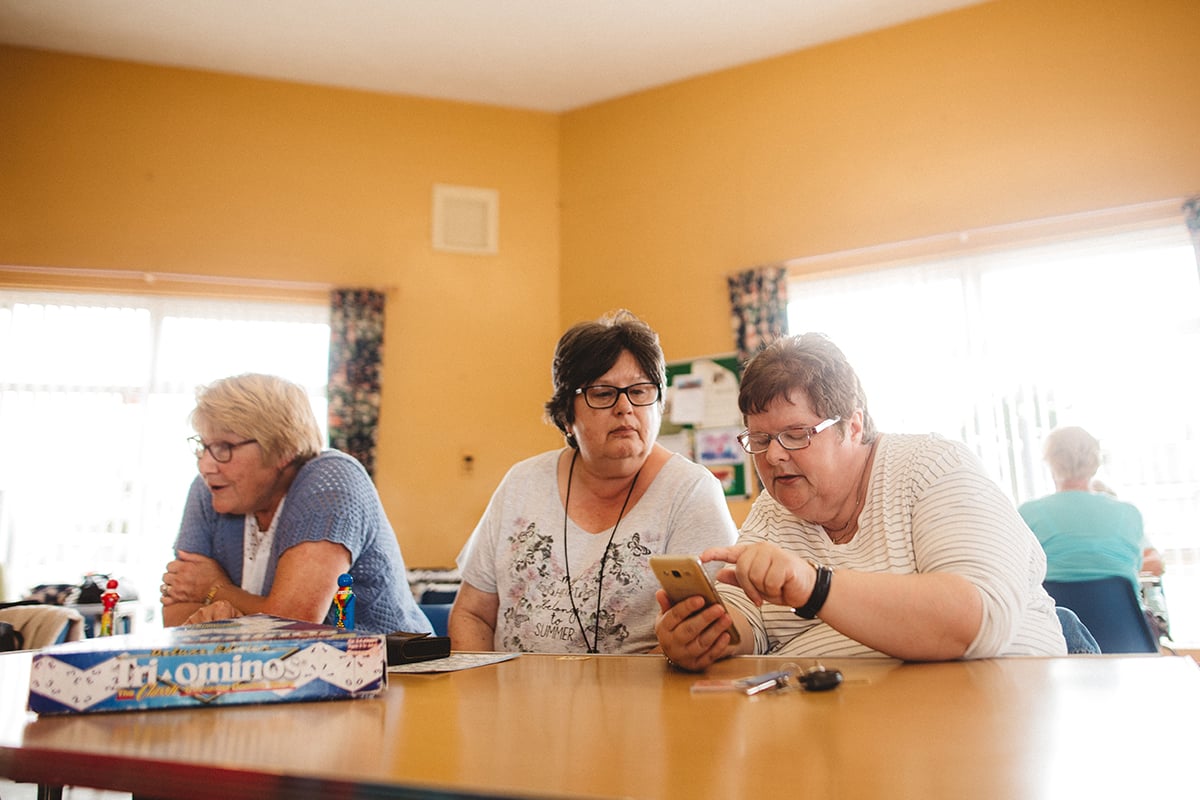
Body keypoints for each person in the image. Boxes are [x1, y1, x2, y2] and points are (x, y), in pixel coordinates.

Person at [655, 333, 1066, 670]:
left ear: (852, 426)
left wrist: (815, 587)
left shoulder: (932, 466)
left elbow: (977, 619)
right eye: (760, 439)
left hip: (985, 708)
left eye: (796, 435)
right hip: (846, 720)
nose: (774, 455)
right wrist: (708, 637)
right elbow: (748, 624)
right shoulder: (772, 511)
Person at [450, 310, 738, 654]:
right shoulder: (521, 483)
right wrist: (481, 686)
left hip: (642, 689)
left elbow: (707, 632)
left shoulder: (690, 491)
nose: (625, 407)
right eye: (602, 394)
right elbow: (472, 614)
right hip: (509, 688)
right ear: (565, 416)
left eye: (640, 391)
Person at [159, 373, 431, 635]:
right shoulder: (209, 489)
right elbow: (175, 616)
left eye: (225, 448)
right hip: (261, 665)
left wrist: (215, 590)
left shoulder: (331, 481)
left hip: (391, 662)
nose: (206, 465)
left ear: (283, 449)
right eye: (203, 446)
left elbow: (296, 624)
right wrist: (241, 615)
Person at [1018, 426, 1151, 594]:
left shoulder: (1028, 513)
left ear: (1051, 462)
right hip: (1121, 610)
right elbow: (1136, 567)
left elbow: (1018, 574)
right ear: (1095, 463)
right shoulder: (1129, 513)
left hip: (1054, 610)